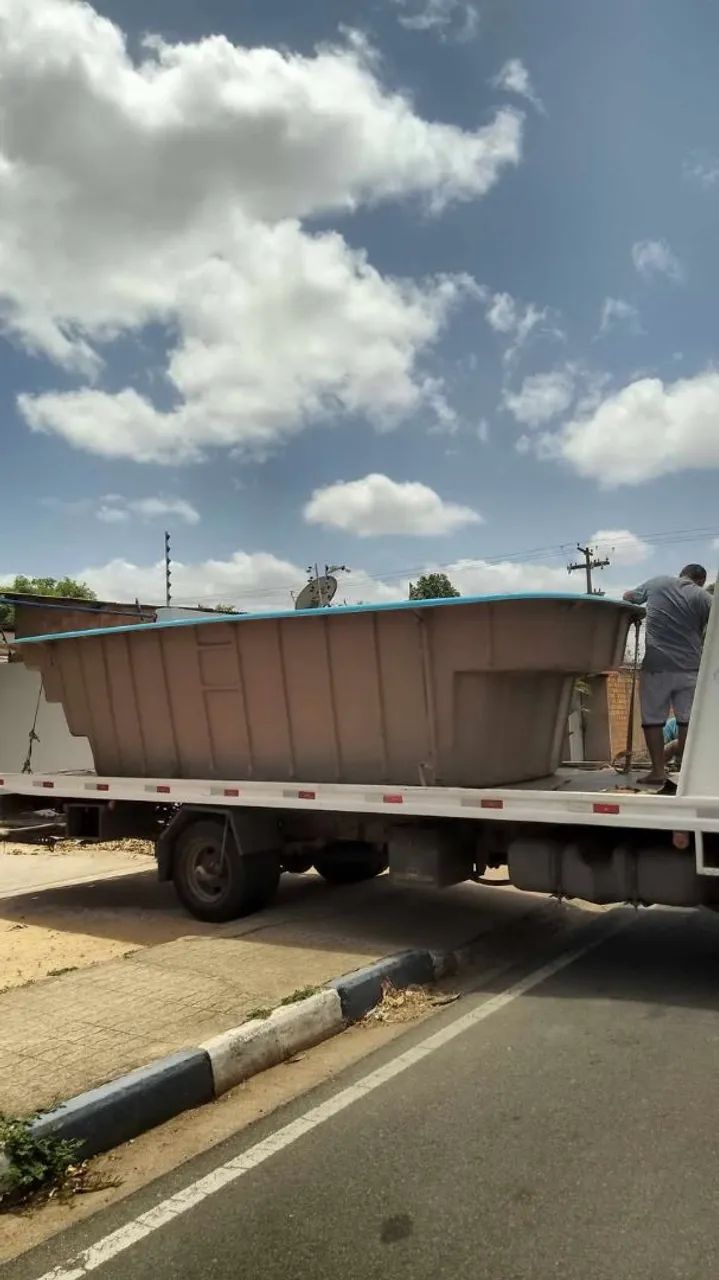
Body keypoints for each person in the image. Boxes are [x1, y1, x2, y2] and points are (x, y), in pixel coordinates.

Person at [623, 564, 712, 786]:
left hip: (657, 667)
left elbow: (628, 597)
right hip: (690, 668)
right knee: (687, 721)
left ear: (682, 573)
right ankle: (688, 772)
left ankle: (657, 772)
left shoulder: (658, 582)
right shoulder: (704, 597)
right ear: (701, 580)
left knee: (653, 721)